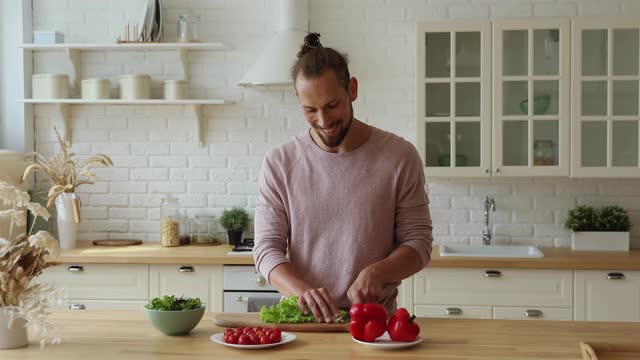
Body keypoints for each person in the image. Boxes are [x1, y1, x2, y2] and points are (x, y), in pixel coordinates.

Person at [253, 33, 433, 323]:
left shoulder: (400, 156)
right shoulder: (279, 162)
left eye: (332, 105)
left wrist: (378, 272)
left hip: (374, 325)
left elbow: (419, 243)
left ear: (352, 89)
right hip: (304, 324)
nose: (323, 121)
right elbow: (265, 249)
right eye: (310, 110)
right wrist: (301, 291)